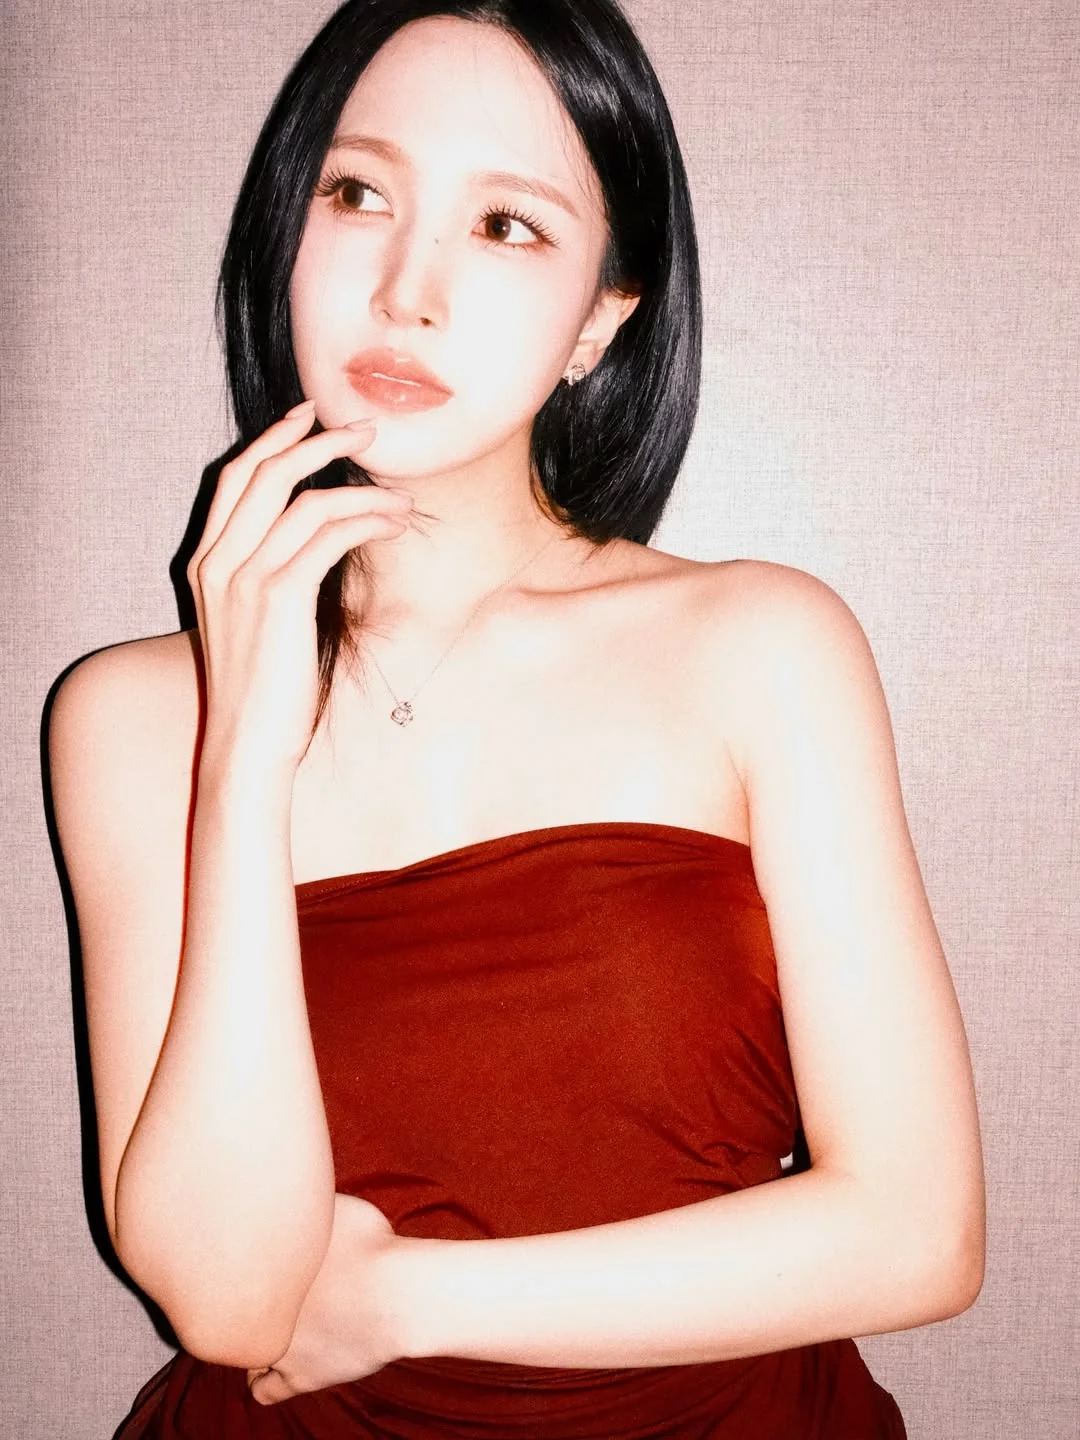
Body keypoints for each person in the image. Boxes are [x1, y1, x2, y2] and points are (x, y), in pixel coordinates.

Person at [48, 0, 985, 1435]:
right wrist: (242, 754)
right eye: (358, 195)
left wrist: (409, 1300)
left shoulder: (764, 646)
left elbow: (919, 1233)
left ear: (601, 316)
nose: (406, 290)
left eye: (506, 225)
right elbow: (228, 1304)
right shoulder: (126, 717)